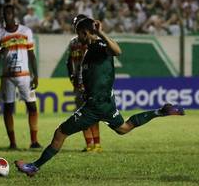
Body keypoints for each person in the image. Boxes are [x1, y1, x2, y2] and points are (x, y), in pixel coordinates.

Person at [14, 18, 185, 177]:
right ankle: (160, 111)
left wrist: (101, 33)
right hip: (105, 102)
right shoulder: (90, 50)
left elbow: (117, 51)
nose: (76, 36)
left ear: (85, 33)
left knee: (60, 132)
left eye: (77, 32)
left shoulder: (98, 46)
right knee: (123, 128)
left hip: (95, 106)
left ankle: (33, 167)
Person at [0, 4, 41, 149]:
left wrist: (36, 75)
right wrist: (1, 52)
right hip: (7, 77)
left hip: (25, 76)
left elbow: (31, 54)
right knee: (8, 108)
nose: (7, 15)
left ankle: (34, 141)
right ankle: (12, 143)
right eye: (5, 13)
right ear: (2, 15)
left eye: (9, 12)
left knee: (32, 107)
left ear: (14, 14)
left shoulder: (26, 31)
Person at [66, 14, 102, 152]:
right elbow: (69, 61)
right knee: (82, 113)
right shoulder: (73, 43)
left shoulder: (93, 42)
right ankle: (89, 144)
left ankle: (97, 144)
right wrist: (71, 75)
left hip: (91, 82)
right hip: (78, 82)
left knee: (92, 113)